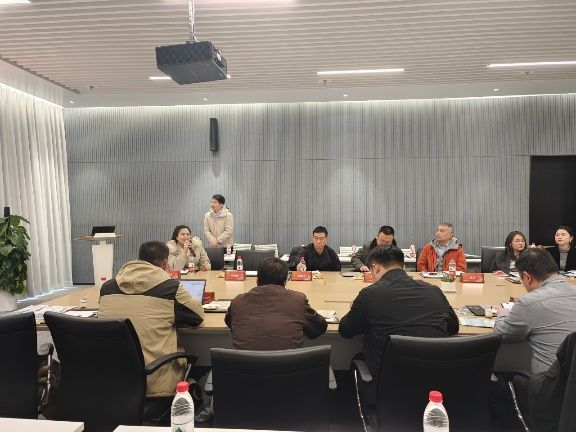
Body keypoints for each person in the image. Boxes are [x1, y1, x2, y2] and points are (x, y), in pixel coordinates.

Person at [339, 245, 459, 404]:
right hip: (434, 385)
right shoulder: (434, 291)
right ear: (403, 266)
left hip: (386, 386)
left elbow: (345, 330)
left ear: (375, 268)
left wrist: (357, 310)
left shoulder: (370, 294)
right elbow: (453, 327)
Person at [99, 241, 205, 397]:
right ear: (165, 265)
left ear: (139, 259)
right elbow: (198, 317)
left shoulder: (107, 288)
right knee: (201, 370)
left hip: (111, 378)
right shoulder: (170, 288)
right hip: (155, 382)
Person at [494, 248, 576, 373]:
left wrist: (502, 314)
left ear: (527, 277)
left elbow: (502, 334)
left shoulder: (528, 302)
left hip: (552, 381)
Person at [225, 257, 327, 350]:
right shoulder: (298, 300)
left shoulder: (237, 302)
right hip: (289, 364)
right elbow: (319, 327)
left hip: (244, 364)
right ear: (285, 282)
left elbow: (231, 324)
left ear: (257, 280)